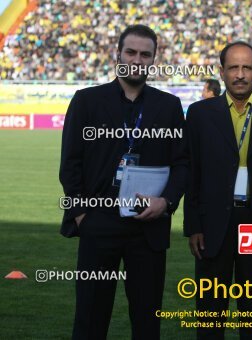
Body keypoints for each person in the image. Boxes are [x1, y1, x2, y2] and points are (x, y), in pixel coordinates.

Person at [59, 24, 187, 340]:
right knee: (89, 318)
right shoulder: (87, 100)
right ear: (118, 54)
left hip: (148, 226)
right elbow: (70, 163)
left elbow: (182, 164)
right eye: (130, 52)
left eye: (145, 54)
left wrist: (167, 202)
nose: (137, 59)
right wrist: (82, 215)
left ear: (153, 60)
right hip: (98, 222)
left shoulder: (168, 106)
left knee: (147, 322)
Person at [184, 41, 252, 339]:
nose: (240, 74)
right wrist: (193, 225)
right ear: (221, 72)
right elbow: (191, 172)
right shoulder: (199, 114)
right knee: (210, 312)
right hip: (212, 225)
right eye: (233, 67)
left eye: (247, 67)